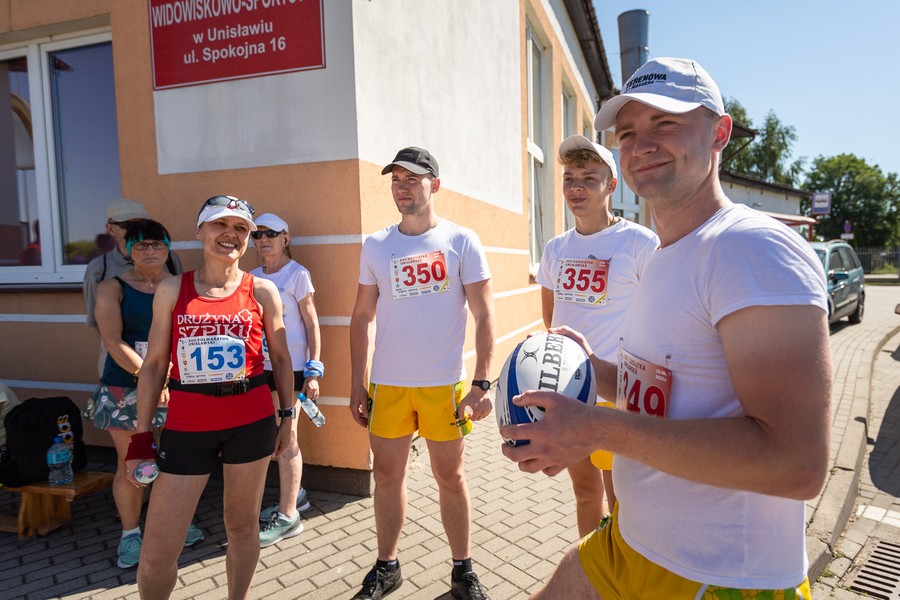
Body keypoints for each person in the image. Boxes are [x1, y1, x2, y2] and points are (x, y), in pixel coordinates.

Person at [501, 57, 832, 599]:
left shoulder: (752, 248)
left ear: (719, 133)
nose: (641, 144)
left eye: (666, 124)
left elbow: (795, 464)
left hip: (717, 576)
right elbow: (678, 389)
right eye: (628, 132)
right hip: (631, 543)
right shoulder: (663, 255)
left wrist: (599, 430)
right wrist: (597, 374)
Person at [125, 195, 295, 600]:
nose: (230, 235)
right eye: (220, 225)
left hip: (250, 423)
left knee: (241, 527)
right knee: (157, 551)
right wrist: (140, 436)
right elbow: (153, 367)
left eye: (241, 228)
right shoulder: (172, 289)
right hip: (188, 425)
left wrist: (288, 419)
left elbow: (282, 359)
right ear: (200, 230)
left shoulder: (264, 290)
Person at [349, 147, 496, 600]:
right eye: (396, 178)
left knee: (450, 477)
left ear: (435, 184)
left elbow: (485, 315)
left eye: (413, 177)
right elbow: (361, 317)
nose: (403, 186)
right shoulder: (376, 244)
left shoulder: (461, 240)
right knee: (387, 478)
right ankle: (387, 566)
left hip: (444, 386)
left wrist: (481, 382)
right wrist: (357, 381)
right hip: (389, 387)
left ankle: (462, 569)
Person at [537, 135, 658, 536]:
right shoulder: (555, 249)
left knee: (624, 497)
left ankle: (627, 577)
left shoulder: (640, 244)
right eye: (569, 178)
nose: (576, 188)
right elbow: (550, 317)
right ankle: (592, 578)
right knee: (586, 492)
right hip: (572, 393)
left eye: (589, 178)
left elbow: (660, 319)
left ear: (611, 185)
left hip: (619, 394)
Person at [90, 219, 203, 568]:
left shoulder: (182, 286)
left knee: (174, 463)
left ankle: (170, 525)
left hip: (179, 389)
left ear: (168, 248)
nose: (150, 251)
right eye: (141, 245)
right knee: (133, 464)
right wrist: (152, 379)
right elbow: (113, 341)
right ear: (127, 249)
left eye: (157, 244)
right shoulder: (113, 288)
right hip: (126, 387)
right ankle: (130, 535)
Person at [249, 212, 322, 547]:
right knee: (269, 437)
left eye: (271, 234)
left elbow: (311, 324)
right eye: (257, 234)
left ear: (285, 238)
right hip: (258, 369)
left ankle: (289, 515)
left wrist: (313, 369)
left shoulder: (297, 274)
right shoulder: (249, 277)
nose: (263, 240)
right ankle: (297, 495)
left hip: (291, 369)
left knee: (287, 437)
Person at [83, 199, 183, 375]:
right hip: (122, 367)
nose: (150, 251)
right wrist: (135, 364)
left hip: (168, 368)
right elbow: (99, 324)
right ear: (110, 228)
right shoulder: (99, 268)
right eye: (126, 224)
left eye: (140, 223)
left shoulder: (171, 260)